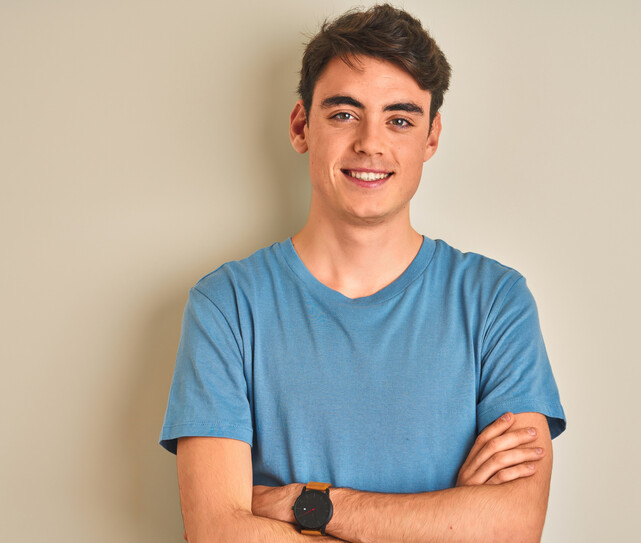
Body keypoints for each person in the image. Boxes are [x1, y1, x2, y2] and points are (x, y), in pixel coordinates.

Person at [160, 4, 566, 542]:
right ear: (302, 125)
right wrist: (445, 520)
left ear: (431, 137)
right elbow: (217, 534)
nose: (370, 142)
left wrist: (308, 505)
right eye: (344, 113)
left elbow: (512, 529)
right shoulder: (226, 306)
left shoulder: (496, 302)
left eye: (399, 118)